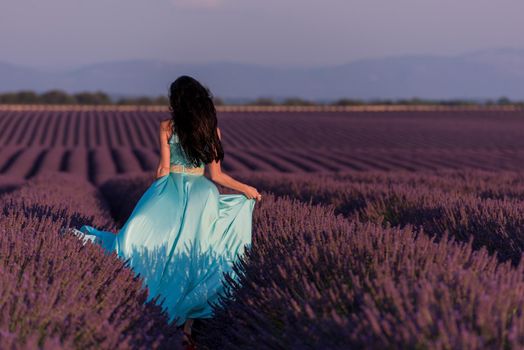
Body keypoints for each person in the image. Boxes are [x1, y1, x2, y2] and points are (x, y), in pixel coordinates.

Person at [69, 75, 261, 347]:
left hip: (170, 192)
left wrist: (157, 187)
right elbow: (217, 175)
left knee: (148, 242)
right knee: (195, 252)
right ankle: (189, 327)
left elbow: (162, 171)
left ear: (177, 102)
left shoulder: (167, 127)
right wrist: (246, 189)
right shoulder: (212, 130)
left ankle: (157, 312)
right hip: (201, 196)